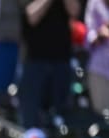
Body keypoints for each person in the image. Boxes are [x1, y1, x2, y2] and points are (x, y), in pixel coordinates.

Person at [18, 0, 80, 128]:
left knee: (61, 116)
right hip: (35, 61)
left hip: (61, 61)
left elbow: (75, 11)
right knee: (32, 116)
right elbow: (31, 16)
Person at [84, 0, 109, 115]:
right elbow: (88, 37)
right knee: (102, 116)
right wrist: (100, 35)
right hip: (100, 69)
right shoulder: (95, 3)